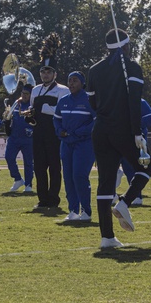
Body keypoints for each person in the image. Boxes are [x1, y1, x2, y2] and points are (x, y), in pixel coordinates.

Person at [87, 28, 151, 249]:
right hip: (123, 128)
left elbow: (93, 104)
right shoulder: (132, 68)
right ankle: (125, 202)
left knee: (105, 182)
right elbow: (134, 102)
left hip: (101, 129)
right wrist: (137, 132)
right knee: (146, 167)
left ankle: (107, 237)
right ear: (125, 46)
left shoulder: (94, 70)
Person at [29, 34, 70, 209]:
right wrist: (29, 115)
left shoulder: (63, 90)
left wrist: (44, 109)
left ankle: (53, 200)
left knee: (54, 168)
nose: (45, 75)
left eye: (48, 72)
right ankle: (42, 199)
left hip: (54, 134)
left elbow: (64, 113)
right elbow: (33, 111)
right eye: (43, 72)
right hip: (38, 134)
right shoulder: (35, 90)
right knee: (39, 168)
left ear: (55, 73)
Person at [54, 71, 96, 221]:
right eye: (69, 80)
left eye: (75, 80)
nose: (71, 83)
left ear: (82, 83)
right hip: (66, 144)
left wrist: (80, 132)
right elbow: (56, 119)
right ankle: (72, 210)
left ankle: (86, 211)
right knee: (68, 177)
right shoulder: (63, 100)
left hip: (84, 144)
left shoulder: (89, 100)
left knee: (79, 175)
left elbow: (96, 121)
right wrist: (60, 131)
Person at [116, 98, 151, 205]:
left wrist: (134, 126)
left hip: (135, 142)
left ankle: (136, 196)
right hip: (118, 140)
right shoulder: (114, 101)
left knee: (132, 169)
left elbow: (150, 117)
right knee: (110, 168)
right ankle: (111, 194)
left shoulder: (139, 101)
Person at [3, 83, 34, 194]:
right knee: (9, 157)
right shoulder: (17, 103)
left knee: (28, 162)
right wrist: (6, 120)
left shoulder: (33, 105)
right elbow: (10, 117)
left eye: (26, 94)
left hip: (28, 138)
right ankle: (17, 179)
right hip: (14, 137)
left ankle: (29, 184)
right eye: (22, 93)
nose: (24, 95)